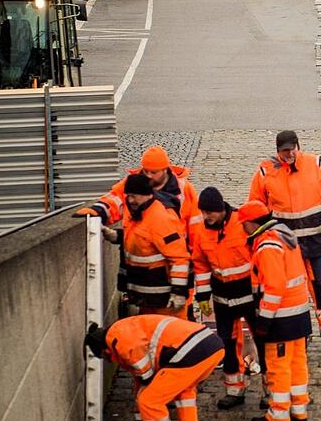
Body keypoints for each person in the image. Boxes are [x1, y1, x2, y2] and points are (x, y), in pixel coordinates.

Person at [249, 130, 321, 355]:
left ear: (298, 146)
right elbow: (256, 206)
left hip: (317, 241)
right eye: (284, 150)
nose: (289, 153)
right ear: (278, 151)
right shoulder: (265, 172)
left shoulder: (317, 164)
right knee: (296, 292)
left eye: (292, 148)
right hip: (287, 246)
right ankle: (300, 334)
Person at [237, 200, 312, 421]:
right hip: (298, 314)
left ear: (251, 224)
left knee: (278, 367)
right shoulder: (284, 235)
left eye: (243, 224)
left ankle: (278, 414)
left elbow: (274, 287)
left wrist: (264, 321)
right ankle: (299, 410)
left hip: (281, 318)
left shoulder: (267, 245)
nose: (242, 229)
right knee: (297, 363)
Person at [191, 187, 259, 410]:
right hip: (222, 297)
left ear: (221, 209)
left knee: (263, 340)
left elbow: (259, 254)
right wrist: (202, 294)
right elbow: (200, 265)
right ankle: (234, 389)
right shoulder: (200, 231)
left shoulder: (242, 223)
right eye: (203, 212)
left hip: (249, 292)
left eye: (210, 212)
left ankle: (272, 390)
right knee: (227, 345)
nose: (206, 216)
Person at [85, 315, 224, 421]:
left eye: (105, 356)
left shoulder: (115, 336)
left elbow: (142, 368)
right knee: (183, 392)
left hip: (190, 349)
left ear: (105, 350)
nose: (109, 360)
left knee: (149, 401)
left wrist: (144, 392)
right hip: (210, 346)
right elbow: (140, 377)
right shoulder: (125, 327)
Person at [101, 173, 192, 317]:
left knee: (171, 337)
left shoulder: (160, 218)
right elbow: (141, 238)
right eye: (128, 196)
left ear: (147, 195)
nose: (130, 200)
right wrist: (116, 236)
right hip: (147, 298)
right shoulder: (139, 213)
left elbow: (180, 258)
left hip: (164, 301)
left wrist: (178, 293)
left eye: (134, 196)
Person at [78, 146, 202, 250]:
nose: (148, 176)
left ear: (165, 169)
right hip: (135, 254)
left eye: (154, 172)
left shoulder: (184, 189)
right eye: (146, 171)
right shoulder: (133, 183)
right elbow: (115, 200)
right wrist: (98, 210)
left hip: (171, 251)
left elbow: (195, 225)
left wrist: (193, 255)